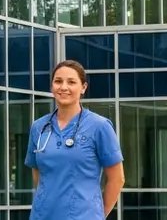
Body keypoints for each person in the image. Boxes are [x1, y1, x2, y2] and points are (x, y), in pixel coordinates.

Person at [25, 60, 125, 219]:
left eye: (71, 82)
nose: (63, 87)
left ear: (83, 87)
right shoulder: (39, 127)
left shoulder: (100, 126)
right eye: (58, 81)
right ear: (52, 86)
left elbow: (117, 179)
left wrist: (97, 214)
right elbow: (38, 174)